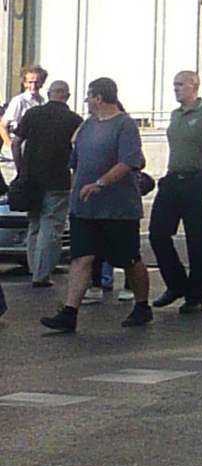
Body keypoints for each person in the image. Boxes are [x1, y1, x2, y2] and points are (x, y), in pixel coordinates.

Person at [41, 81, 155, 333]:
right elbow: (76, 164)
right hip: (85, 209)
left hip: (118, 208)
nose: (87, 102)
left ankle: (142, 306)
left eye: (89, 97)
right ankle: (69, 312)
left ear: (100, 98)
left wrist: (100, 183)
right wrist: (74, 193)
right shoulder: (86, 127)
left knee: (129, 258)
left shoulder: (124, 125)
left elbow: (130, 161)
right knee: (82, 257)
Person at [149, 69, 202, 311]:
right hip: (173, 180)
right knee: (157, 233)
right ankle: (176, 283)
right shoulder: (175, 115)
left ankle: (195, 296)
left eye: (180, 84)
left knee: (198, 240)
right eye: (174, 84)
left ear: (194, 86)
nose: (176, 88)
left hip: (198, 180)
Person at [15, 81, 79, 289]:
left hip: (30, 179)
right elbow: (79, 149)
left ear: (49, 94)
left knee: (34, 224)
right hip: (58, 179)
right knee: (52, 226)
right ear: (66, 96)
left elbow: (15, 142)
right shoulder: (73, 120)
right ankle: (42, 275)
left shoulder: (32, 115)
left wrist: (20, 168)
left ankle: (34, 269)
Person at [3, 63, 44, 168]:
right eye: (30, 82)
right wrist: (10, 145)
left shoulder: (43, 101)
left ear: (42, 83)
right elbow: (3, 125)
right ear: (25, 83)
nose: (33, 86)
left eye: (36, 82)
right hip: (23, 145)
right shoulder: (19, 101)